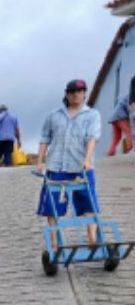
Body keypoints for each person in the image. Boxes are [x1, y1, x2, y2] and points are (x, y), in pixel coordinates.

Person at [35, 79, 101, 247]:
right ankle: (54, 242)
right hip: (56, 166)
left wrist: (87, 159)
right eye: (72, 91)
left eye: (80, 91)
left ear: (85, 93)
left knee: (88, 201)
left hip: (81, 166)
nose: (76, 94)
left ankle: (92, 238)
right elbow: (44, 139)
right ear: (67, 94)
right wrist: (39, 161)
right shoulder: (53, 116)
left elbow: (92, 138)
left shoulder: (92, 115)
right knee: (53, 205)